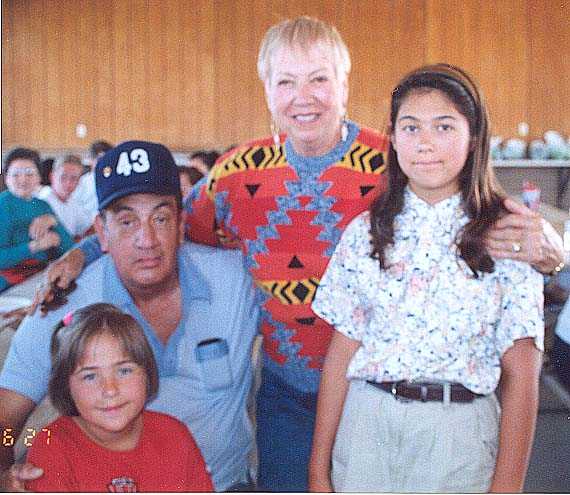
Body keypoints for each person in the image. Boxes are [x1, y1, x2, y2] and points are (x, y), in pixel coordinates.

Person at [36, 17, 563, 492]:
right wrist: (82, 253)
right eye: (285, 82)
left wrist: (551, 248)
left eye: (318, 78)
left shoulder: (403, 158)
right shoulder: (236, 175)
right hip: (286, 393)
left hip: (381, 393)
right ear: (266, 89)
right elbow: (156, 227)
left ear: (344, 84)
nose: (302, 97)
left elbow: (488, 213)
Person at [308, 64, 544, 493]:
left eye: (444, 127)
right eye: (411, 127)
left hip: (457, 437)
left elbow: (523, 371)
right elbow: (342, 353)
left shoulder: (509, 234)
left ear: (474, 138)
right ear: (394, 139)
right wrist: (318, 471)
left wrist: (508, 486)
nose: (426, 143)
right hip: (367, 429)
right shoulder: (366, 231)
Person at [0, 140, 258, 491]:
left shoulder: (236, 280)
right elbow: (6, 424)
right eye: (127, 221)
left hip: (226, 484)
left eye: (161, 218)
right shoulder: (62, 306)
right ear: (102, 232)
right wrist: (4, 468)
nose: (146, 239)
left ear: (181, 224)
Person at [26, 303, 213, 492]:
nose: (110, 389)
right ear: (65, 386)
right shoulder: (51, 448)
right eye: (90, 376)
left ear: (147, 374)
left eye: (124, 371)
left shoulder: (175, 435)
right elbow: (6, 436)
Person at [0, 147, 74, 292]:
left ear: (39, 178)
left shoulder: (42, 205)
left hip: (40, 276)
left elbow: (69, 249)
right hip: (8, 285)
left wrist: (54, 221)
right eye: (16, 174)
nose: (23, 180)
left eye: (29, 173)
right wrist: (35, 246)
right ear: (6, 178)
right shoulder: (3, 205)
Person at [37, 154, 93, 239]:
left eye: (74, 178)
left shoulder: (72, 202)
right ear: (52, 177)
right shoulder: (43, 200)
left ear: (79, 181)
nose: (68, 183)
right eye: (63, 177)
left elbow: (87, 228)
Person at [70, 140, 113, 223]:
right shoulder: (82, 182)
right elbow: (73, 206)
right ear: (91, 160)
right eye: (100, 159)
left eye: (108, 159)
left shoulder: (114, 180)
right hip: (86, 225)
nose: (104, 163)